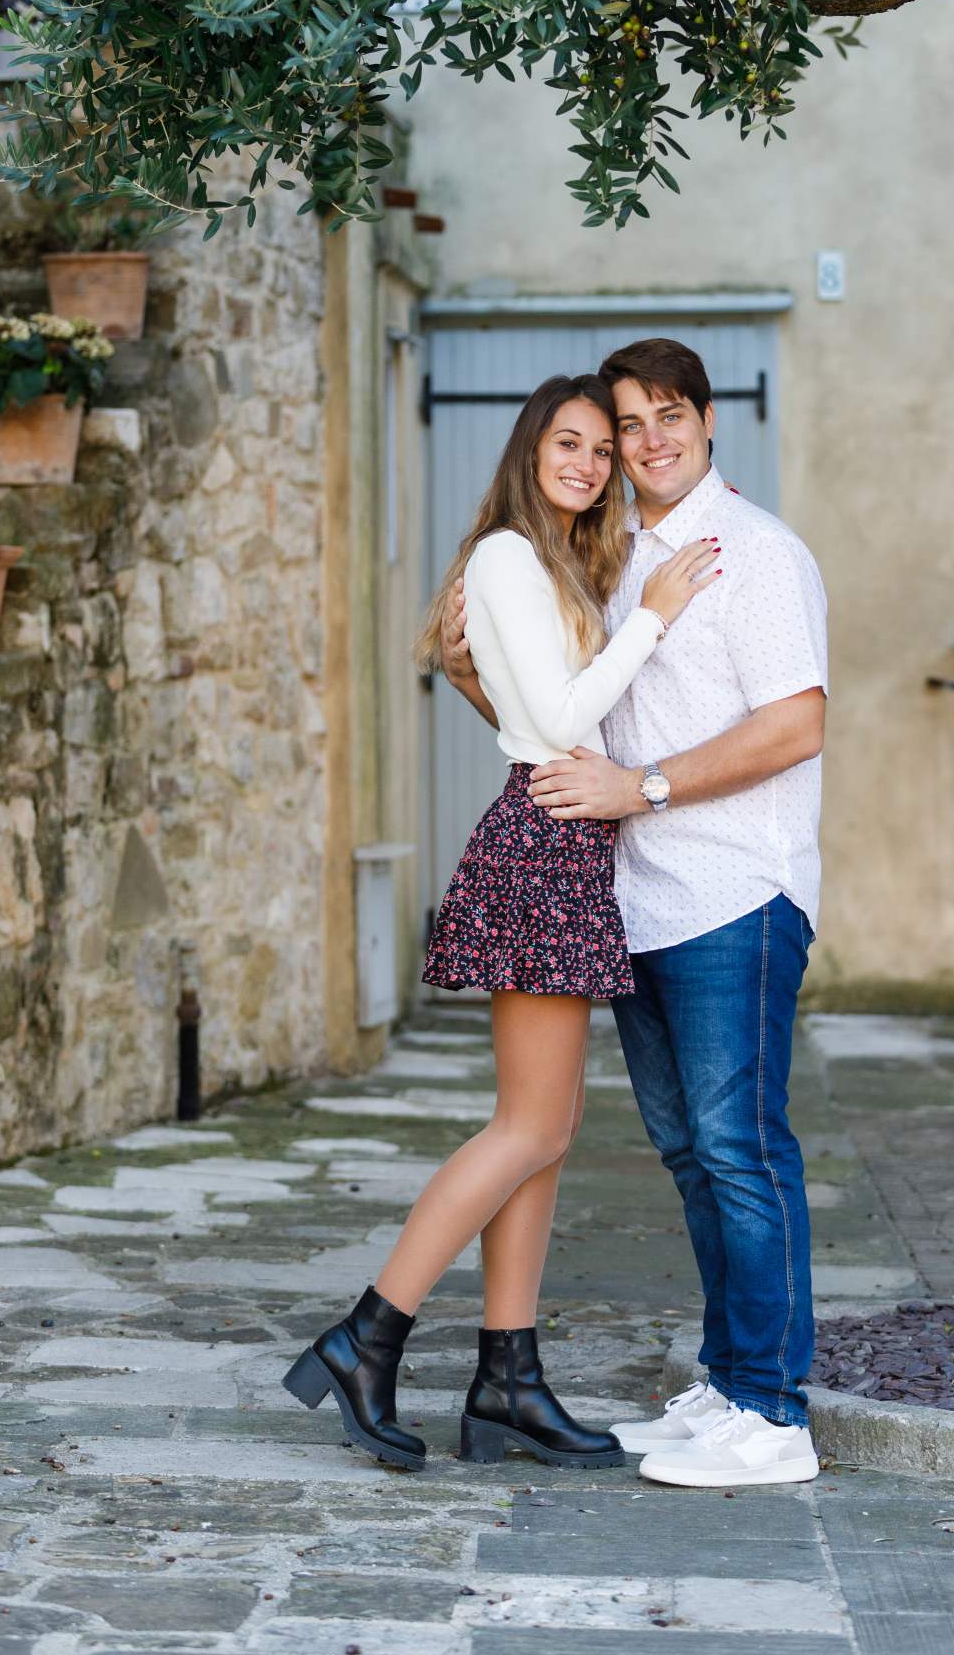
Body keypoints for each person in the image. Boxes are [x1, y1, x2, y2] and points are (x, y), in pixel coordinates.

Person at [284, 373, 720, 1472]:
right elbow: (564, 720)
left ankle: (508, 1382)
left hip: (567, 840)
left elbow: (529, 712)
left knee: (549, 1128)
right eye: (567, 442)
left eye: (600, 451)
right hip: (542, 844)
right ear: (530, 450)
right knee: (525, 1127)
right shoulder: (507, 557)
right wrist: (656, 617)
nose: (588, 463)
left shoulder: (554, 562)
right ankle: (365, 1336)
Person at [440, 338, 827, 1489]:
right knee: (690, 1152)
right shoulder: (612, 561)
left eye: (668, 416)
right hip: (638, 900)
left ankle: (774, 1412)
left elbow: (794, 725)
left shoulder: (753, 552)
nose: (647, 441)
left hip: (735, 891)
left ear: (707, 421)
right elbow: (570, 732)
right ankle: (728, 1381)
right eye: (626, 426)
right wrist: (474, 676)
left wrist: (644, 788)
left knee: (741, 1146)